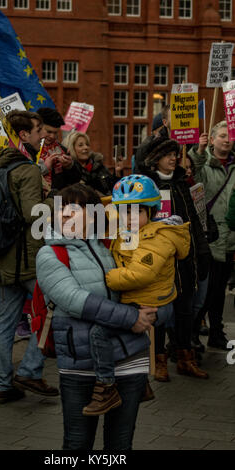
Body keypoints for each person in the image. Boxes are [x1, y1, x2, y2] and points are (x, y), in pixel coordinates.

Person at [36, 183, 171, 450]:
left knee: (120, 445)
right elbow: (75, 301)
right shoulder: (50, 254)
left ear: (95, 215)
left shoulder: (116, 246)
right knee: (77, 444)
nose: (63, 214)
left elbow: (151, 287)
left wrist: (153, 311)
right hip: (80, 364)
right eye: (60, 208)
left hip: (130, 359)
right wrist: (132, 317)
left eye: (73, 208)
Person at [82, 175, 190, 416]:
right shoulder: (129, 226)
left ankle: (106, 386)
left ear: (150, 212)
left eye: (136, 212)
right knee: (123, 337)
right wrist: (95, 200)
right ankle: (140, 385)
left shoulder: (158, 237)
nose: (129, 217)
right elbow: (103, 209)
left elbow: (139, 275)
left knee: (100, 332)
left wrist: (104, 277)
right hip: (134, 299)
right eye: (124, 212)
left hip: (152, 303)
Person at [0, 110, 59, 404]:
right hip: (29, 259)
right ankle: (30, 370)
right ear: (23, 135)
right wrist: (52, 198)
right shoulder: (29, 170)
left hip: (3, 256)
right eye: (37, 130)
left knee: (3, 320)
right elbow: (33, 213)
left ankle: (2, 385)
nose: (42, 135)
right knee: (50, 310)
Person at [138, 136, 211, 380]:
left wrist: (202, 251)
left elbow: (193, 221)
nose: (173, 158)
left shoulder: (182, 183)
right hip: (159, 261)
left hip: (185, 260)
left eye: (174, 154)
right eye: (167, 154)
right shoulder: (147, 186)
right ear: (154, 158)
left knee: (185, 310)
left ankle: (184, 358)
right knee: (160, 312)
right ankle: (159, 361)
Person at [188, 122, 235, 349]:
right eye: (222, 136)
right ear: (212, 139)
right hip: (211, 237)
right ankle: (193, 334)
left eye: (230, 136)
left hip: (230, 238)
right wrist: (198, 151)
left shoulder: (234, 166)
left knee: (219, 293)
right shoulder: (204, 163)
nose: (227, 140)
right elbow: (192, 173)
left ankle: (217, 332)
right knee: (206, 292)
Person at [36, 107, 81, 191]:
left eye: (55, 132)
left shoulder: (63, 149)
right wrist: (45, 167)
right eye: (48, 132)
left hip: (58, 199)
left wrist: (70, 166)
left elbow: (75, 179)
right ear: (38, 128)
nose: (52, 136)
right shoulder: (27, 149)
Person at [64, 131, 120, 197]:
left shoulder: (99, 166)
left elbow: (116, 189)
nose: (86, 147)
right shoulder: (68, 171)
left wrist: (117, 172)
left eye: (87, 144)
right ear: (71, 149)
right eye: (80, 145)